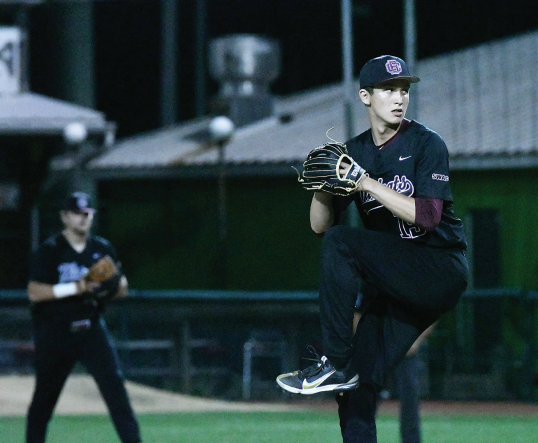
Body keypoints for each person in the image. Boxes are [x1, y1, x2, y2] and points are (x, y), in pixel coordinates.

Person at [276, 55, 469, 443]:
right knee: (354, 391)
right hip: (396, 283)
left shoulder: (426, 143)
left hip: (439, 267)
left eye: (403, 90)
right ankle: (341, 371)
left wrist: (364, 183)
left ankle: (331, 360)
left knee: (343, 243)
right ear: (365, 96)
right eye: (387, 90)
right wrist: (322, 188)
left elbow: (428, 217)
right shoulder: (354, 152)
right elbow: (320, 227)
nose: (398, 98)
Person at [26, 192, 142, 443]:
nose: (83, 218)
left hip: (91, 329)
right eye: (77, 214)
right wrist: (76, 288)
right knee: (43, 402)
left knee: (116, 392)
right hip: (56, 332)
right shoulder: (50, 251)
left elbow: (121, 288)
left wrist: (112, 285)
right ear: (65, 217)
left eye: (87, 213)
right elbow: (35, 292)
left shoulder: (101, 248)